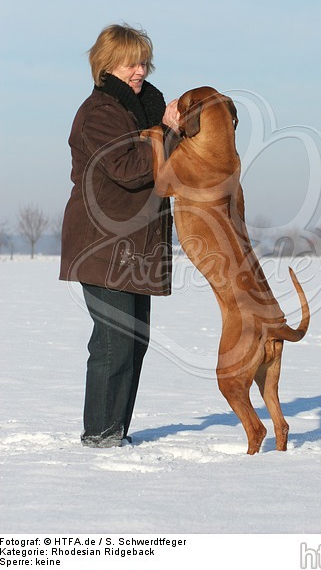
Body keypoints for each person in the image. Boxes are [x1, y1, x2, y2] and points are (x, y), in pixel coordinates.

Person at [59, 23, 180, 448]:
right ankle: (99, 437)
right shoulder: (101, 112)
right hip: (102, 243)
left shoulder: (137, 110)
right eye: (132, 62)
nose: (140, 70)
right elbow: (128, 170)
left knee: (134, 342)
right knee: (113, 343)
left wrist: (169, 130)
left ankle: (116, 433)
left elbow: (157, 164)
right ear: (108, 65)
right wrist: (166, 133)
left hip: (134, 246)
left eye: (144, 61)